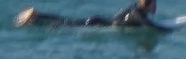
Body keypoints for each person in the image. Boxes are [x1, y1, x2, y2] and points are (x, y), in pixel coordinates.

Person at [16, 0, 159, 25]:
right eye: (155, 2)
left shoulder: (135, 8)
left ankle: (37, 17)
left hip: (99, 21)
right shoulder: (138, 14)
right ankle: (37, 17)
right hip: (97, 24)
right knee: (65, 24)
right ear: (148, 3)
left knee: (66, 22)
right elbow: (152, 27)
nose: (156, 6)